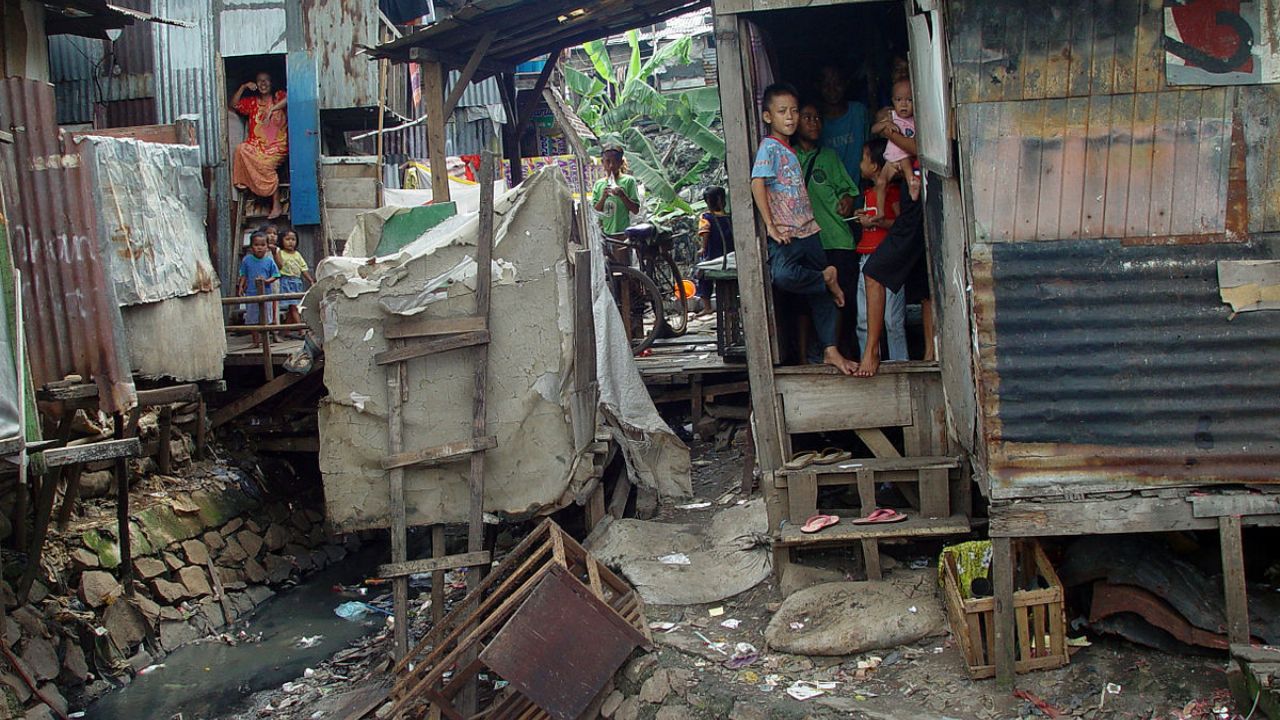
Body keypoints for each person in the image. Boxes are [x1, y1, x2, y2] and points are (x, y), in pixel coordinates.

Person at [750, 83, 857, 375]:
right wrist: (770, 226)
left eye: (794, 111)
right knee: (783, 276)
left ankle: (830, 350)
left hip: (809, 230)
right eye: (782, 111)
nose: (791, 117)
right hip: (787, 233)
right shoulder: (769, 147)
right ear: (767, 117)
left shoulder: (791, 151)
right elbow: (757, 182)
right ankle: (825, 277)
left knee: (822, 299)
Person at [796, 102, 860, 358]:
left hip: (837, 240)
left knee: (841, 300)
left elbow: (848, 191)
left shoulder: (829, 157)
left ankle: (838, 352)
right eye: (807, 117)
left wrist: (847, 200)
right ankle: (801, 358)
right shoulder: (789, 157)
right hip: (807, 241)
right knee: (803, 304)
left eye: (817, 117)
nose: (814, 122)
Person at [858, 162, 923, 377]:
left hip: (913, 214)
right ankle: (871, 352)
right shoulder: (876, 189)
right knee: (865, 318)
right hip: (871, 251)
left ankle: (886, 357)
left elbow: (898, 221)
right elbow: (884, 178)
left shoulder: (897, 189)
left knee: (893, 317)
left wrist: (889, 132)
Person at [853, 138, 907, 362]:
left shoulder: (892, 192)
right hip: (866, 258)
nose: (859, 164)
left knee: (892, 320)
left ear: (875, 165)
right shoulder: (868, 193)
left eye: (863, 159)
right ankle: (869, 356)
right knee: (864, 319)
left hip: (889, 259)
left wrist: (876, 222)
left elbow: (902, 224)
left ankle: (900, 363)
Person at [231, 72, 288, 219]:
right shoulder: (252, 102)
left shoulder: (278, 96)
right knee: (240, 149)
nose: (263, 84)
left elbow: (291, 98)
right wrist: (243, 87)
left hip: (277, 145)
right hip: (257, 145)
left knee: (265, 165)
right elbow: (234, 104)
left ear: (271, 83)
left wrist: (272, 109)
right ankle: (249, 184)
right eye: (259, 81)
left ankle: (276, 205)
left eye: (266, 81)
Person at [816, 65, 871, 187]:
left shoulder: (859, 112)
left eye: (837, 83)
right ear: (819, 87)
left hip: (861, 190)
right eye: (826, 85)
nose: (832, 89)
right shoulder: (815, 121)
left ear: (845, 84)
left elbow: (870, 148)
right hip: (829, 196)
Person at [871, 79, 917, 220]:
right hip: (891, 159)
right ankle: (880, 211)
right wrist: (885, 126)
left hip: (905, 157)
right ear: (893, 101)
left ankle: (913, 185)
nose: (904, 104)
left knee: (906, 166)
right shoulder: (892, 116)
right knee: (881, 181)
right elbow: (874, 129)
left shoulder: (916, 119)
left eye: (909, 100)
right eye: (899, 100)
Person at [238, 231, 280, 346]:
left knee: (265, 317)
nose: (259, 248)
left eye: (262, 245)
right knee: (252, 317)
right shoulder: (246, 260)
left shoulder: (269, 261)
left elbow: (276, 275)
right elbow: (243, 274)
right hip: (251, 293)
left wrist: (267, 281)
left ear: (267, 247)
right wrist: (241, 286)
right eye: (256, 245)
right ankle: (255, 341)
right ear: (251, 247)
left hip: (266, 293)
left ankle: (265, 340)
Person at [591, 144, 641, 240]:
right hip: (606, 234)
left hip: (624, 233)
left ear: (621, 163)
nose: (611, 166)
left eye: (615, 162)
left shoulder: (629, 181)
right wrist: (603, 197)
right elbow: (596, 210)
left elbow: (635, 210)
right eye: (608, 162)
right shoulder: (599, 184)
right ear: (602, 162)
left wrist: (623, 196)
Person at [695, 186, 733, 315]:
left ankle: (707, 307)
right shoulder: (729, 217)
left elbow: (705, 233)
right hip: (729, 255)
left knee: (702, 276)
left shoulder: (706, 217)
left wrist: (703, 248)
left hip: (712, 255)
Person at [276, 228, 314, 334]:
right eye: (287, 239)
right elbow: (278, 265)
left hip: (297, 282)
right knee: (294, 307)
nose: (290, 242)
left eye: (293, 239)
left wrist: (310, 280)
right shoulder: (281, 253)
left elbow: (303, 268)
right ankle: (301, 330)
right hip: (285, 282)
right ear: (281, 240)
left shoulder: (297, 254)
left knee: (291, 308)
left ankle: (286, 331)